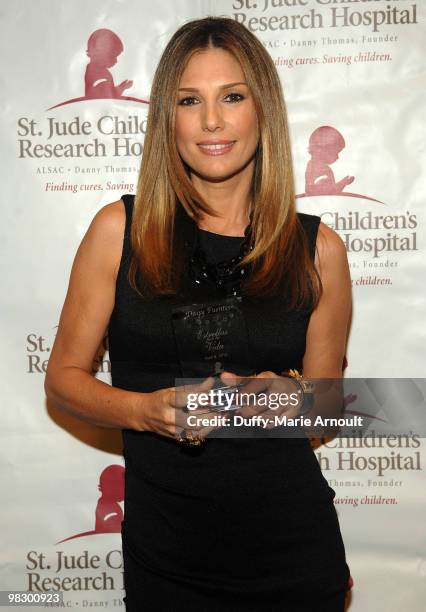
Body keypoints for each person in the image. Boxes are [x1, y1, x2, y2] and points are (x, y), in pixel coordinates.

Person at [45, 16, 352, 612]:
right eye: (190, 100)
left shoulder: (319, 250)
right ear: (169, 118)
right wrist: (145, 410)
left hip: (295, 553)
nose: (212, 120)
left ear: (261, 110)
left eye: (232, 97)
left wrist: (276, 398)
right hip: (169, 560)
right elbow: (63, 381)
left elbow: (329, 408)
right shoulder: (120, 231)